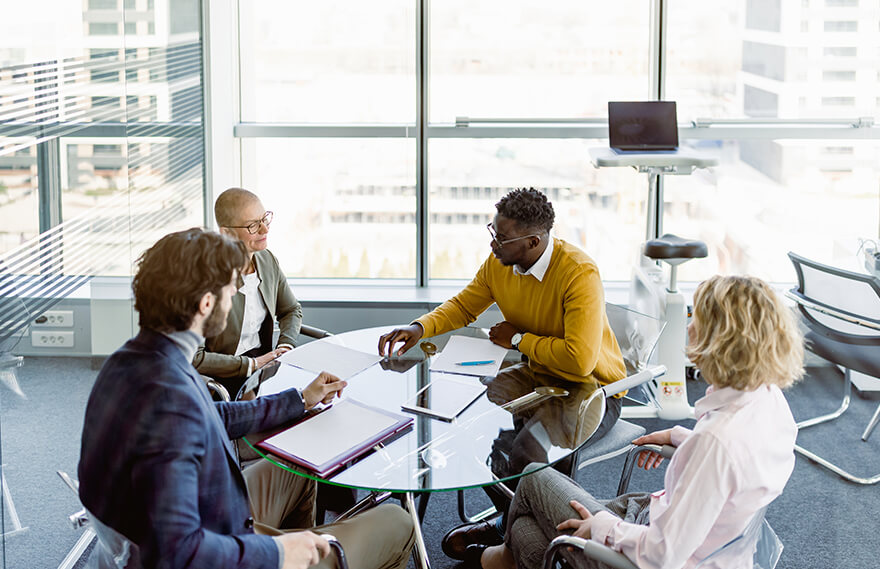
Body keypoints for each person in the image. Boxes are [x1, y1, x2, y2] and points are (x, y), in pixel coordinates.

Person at [79, 228, 414, 569]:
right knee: (397, 522)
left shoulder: (132, 361)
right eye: (230, 288)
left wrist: (300, 399)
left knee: (299, 465)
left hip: (211, 519)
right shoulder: (169, 404)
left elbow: (212, 416)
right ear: (205, 304)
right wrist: (280, 553)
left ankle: (305, 552)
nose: (237, 291)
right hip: (210, 552)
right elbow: (178, 552)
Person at [472, 275, 803, 569]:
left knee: (532, 478)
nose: (688, 327)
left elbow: (663, 555)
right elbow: (741, 467)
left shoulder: (716, 443)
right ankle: (512, 555)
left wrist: (603, 527)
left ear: (721, 341)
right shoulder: (769, 400)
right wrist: (682, 439)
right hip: (676, 525)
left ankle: (501, 558)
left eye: (696, 319)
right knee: (525, 532)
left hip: (650, 550)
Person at [377, 188, 626, 558]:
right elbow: (465, 305)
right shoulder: (501, 264)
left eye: (501, 237)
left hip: (591, 390)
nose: (493, 243)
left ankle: (534, 541)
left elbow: (579, 361)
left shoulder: (578, 272)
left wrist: (519, 339)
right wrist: (420, 327)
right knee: (468, 428)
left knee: (526, 452)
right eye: (491, 231)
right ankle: (512, 522)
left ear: (532, 241)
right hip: (537, 374)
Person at [192, 187, 302, 398]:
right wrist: (252, 364)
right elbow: (193, 357)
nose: (264, 230)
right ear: (227, 233)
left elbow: (291, 310)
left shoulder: (267, 260)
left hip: (264, 371)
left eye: (264, 219)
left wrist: (286, 346)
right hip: (219, 379)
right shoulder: (204, 276)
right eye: (253, 225)